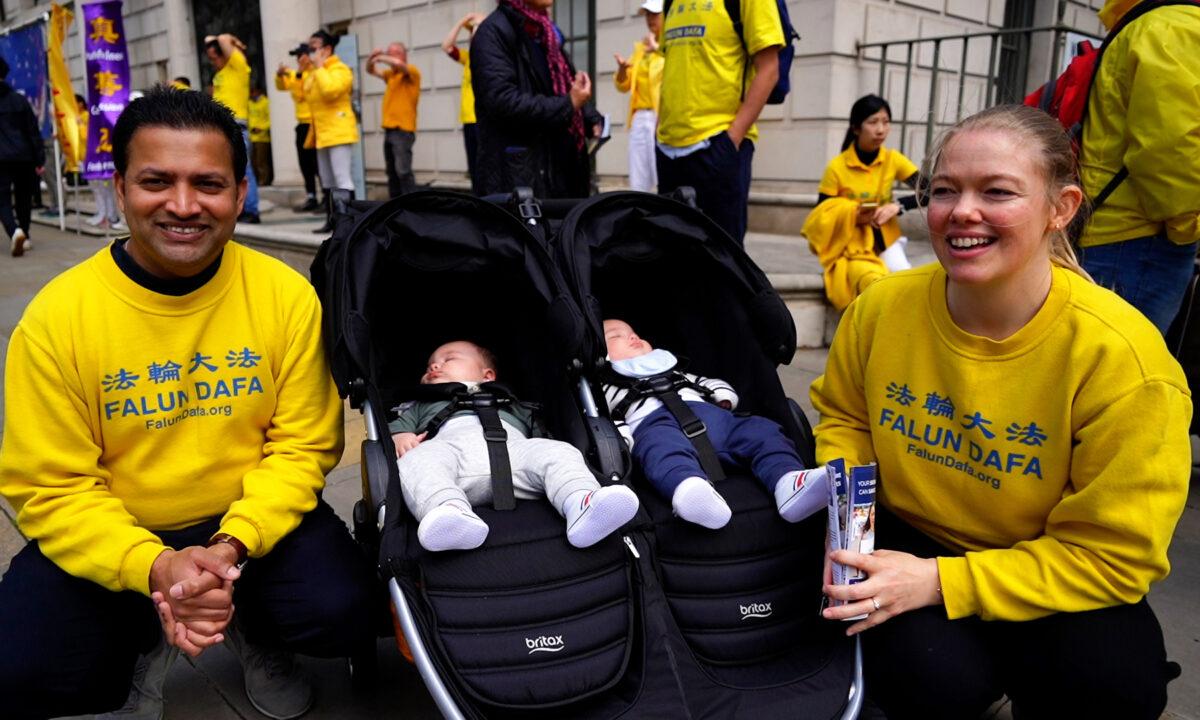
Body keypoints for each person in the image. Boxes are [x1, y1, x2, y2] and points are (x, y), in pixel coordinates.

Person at [0, 87, 378, 720]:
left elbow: (303, 448)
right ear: (120, 188)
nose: (182, 206)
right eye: (156, 181)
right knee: (20, 668)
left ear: (237, 192)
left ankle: (250, 627)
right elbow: (51, 487)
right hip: (118, 528)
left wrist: (229, 548)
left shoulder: (285, 295)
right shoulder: (56, 319)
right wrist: (155, 564)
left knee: (345, 610)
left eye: (208, 183)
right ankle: (145, 639)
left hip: (248, 527)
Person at [812, 105, 1189, 719]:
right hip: (910, 539)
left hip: (1052, 568)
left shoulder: (1123, 359)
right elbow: (844, 418)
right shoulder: (880, 308)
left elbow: (1114, 556)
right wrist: (850, 532)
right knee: (925, 679)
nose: (962, 212)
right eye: (943, 191)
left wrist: (942, 583)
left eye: (997, 191)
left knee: (1113, 686)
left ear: (1060, 208)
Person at [391, 340, 640, 551]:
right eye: (429, 366)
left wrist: (546, 452)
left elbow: (540, 435)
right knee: (417, 460)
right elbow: (397, 427)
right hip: (454, 461)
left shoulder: (511, 402)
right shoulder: (422, 403)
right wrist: (401, 437)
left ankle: (580, 502)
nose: (434, 366)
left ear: (487, 375)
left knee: (558, 452)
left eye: (449, 359)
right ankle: (448, 511)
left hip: (516, 459)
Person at [602, 319, 823, 529]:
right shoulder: (610, 387)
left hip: (715, 418)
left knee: (762, 430)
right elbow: (607, 418)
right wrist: (621, 437)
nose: (631, 337)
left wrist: (722, 395)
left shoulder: (677, 371)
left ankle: (788, 482)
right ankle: (690, 489)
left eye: (634, 333)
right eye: (616, 336)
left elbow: (707, 384)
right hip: (656, 426)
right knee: (659, 451)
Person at [1075, 0, 1200, 335]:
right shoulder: (1177, 26)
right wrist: (1190, 226)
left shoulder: (1153, 21)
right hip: (1141, 240)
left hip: (1120, 234)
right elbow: (1168, 151)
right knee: (1121, 374)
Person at [654, 0, 783, 244]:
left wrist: (731, 139)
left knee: (723, 260)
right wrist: (658, 132)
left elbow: (769, 69)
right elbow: (672, 66)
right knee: (671, 255)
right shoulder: (670, 2)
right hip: (668, 149)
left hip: (716, 146)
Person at [471, 0, 603, 198]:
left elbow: (562, 87)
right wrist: (569, 105)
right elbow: (502, 102)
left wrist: (589, 115)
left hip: (561, 173)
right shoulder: (493, 32)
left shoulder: (546, 32)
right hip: (521, 182)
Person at [803, 95, 920, 311]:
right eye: (873, 122)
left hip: (886, 238)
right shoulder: (837, 167)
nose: (880, 129)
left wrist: (898, 206)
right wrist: (852, 214)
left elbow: (930, 190)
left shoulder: (893, 159)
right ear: (856, 128)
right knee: (868, 284)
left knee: (905, 281)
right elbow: (821, 214)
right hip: (850, 242)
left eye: (885, 122)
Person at [305, 29, 360, 233]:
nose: (311, 51)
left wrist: (319, 68)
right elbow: (306, 94)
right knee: (327, 179)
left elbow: (330, 91)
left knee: (342, 177)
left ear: (327, 49)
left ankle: (348, 223)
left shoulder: (340, 69)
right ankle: (332, 221)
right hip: (321, 133)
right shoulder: (316, 71)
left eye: (314, 47)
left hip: (339, 131)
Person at [205, 33, 260, 224]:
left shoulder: (237, 66)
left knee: (244, 170)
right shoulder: (220, 75)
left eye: (215, 57)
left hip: (238, 126)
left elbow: (222, 38)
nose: (213, 62)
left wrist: (236, 42)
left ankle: (251, 210)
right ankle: (240, 209)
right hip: (221, 128)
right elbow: (212, 41)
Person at [613, 0, 664, 192]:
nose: (650, 19)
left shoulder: (670, 49)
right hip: (640, 118)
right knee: (639, 178)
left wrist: (659, 48)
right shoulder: (640, 50)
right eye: (648, 14)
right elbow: (623, 86)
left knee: (661, 174)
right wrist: (621, 70)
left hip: (662, 118)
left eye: (655, 14)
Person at [0, 55, 45, 257]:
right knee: (23, 197)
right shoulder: (19, 100)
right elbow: (32, 131)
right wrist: (39, 158)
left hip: (1, 159)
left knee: (2, 199)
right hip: (24, 156)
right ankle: (25, 234)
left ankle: (15, 232)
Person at [367, 42, 421, 197]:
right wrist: (372, 57)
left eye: (395, 52)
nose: (391, 56)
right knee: (392, 172)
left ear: (404, 55)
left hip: (403, 130)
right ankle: (394, 206)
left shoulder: (412, 72)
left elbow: (398, 64)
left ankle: (412, 204)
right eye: (389, 52)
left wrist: (382, 56)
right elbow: (370, 70)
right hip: (389, 130)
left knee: (403, 171)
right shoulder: (391, 75)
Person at [441, 12, 486, 194]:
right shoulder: (468, 59)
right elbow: (446, 46)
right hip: (469, 120)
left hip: (483, 120)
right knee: (474, 168)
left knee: (484, 168)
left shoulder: (486, 56)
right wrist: (461, 22)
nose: (472, 34)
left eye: (476, 29)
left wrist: (478, 25)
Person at [276, 44, 321, 212]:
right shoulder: (297, 75)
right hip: (302, 124)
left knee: (317, 163)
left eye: (300, 55)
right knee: (305, 164)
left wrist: (300, 72)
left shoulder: (314, 73)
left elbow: (301, 93)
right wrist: (279, 75)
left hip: (314, 124)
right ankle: (311, 196)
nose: (298, 59)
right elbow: (282, 87)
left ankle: (325, 196)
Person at [248, 85, 273, 186]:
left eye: (253, 91)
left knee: (261, 161)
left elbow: (270, 119)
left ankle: (264, 181)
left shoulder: (265, 102)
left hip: (262, 138)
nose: (251, 94)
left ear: (258, 91)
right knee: (253, 161)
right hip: (252, 137)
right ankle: (257, 181)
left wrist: (261, 128)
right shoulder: (249, 103)